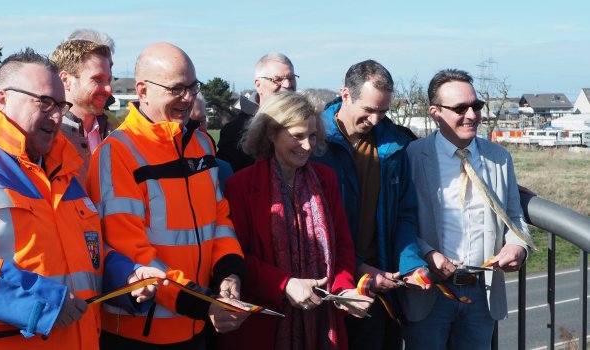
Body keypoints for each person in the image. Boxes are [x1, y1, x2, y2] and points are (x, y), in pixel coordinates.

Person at [0, 48, 166, 349]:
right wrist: (42, 302)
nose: (58, 115)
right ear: (2, 100)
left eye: (61, 104)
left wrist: (127, 277)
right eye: (45, 103)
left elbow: (85, 256)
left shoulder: (65, 174)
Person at [86, 42, 249, 349]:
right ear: (143, 90)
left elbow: (220, 222)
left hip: (197, 324)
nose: (188, 98)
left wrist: (230, 275)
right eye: (177, 89)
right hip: (138, 335)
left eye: (192, 86)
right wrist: (202, 303)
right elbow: (133, 254)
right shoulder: (117, 153)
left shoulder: (201, 144)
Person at [218, 91, 372, 350]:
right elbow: (238, 256)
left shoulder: (326, 179)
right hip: (264, 322)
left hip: (322, 320)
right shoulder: (240, 185)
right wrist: (284, 285)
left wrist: (344, 291)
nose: (308, 146)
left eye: (312, 136)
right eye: (297, 136)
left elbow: (343, 247)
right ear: (271, 134)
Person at [401, 69, 532, 350]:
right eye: (460, 108)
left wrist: (518, 247)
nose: (472, 115)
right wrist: (426, 254)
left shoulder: (499, 158)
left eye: (476, 106)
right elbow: (399, 222)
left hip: (481, 297)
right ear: (435, 112)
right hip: (430, 293)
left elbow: (514, 218)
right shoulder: (412, 156)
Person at [310, 59, 430, 349]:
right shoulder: (312, 144)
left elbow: (404, 214)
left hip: (378, 288)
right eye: (369, 110)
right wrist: (356, 266)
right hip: (325, 288)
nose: (376, 120)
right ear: (345, 95)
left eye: (384, 111)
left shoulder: (395, 144)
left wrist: (410, 264)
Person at [217, 53, 297, 172]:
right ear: (258, 85)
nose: (287, 84)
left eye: (291, 78)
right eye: (278, 79)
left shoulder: (306, 123)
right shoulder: (235, 131)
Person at [51, 40, 115, 184]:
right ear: (65, 80)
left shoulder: (116, 134)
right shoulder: (48, 137)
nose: (108, 89)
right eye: (97, 79)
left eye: (109, 80)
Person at [190, 93, 233, 193]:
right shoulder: (164, 172)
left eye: (201, 121)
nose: (196, 127)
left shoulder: (223, 169)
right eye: (188, 122)